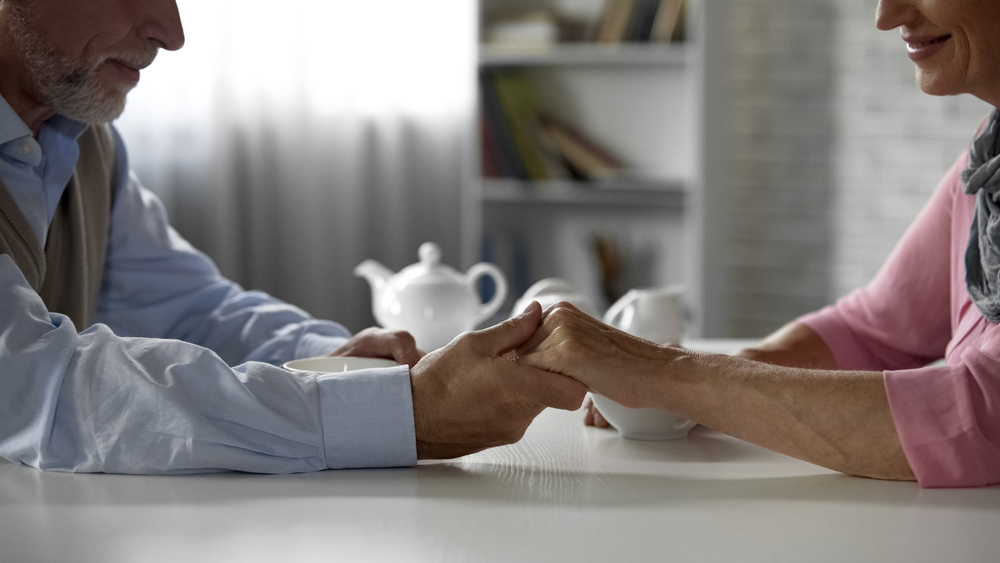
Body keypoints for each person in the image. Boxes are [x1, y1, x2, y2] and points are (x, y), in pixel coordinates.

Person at [0, 0, 587, 475]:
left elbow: (192, 310)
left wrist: (341, 359)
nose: (171, 31)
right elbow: (43, 391)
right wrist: (401, 413)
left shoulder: (84, 143)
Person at [518, 0, 1000, 489]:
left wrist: (671, 377)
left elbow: (981, 417)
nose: (887, 15)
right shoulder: (988, 160)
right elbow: (871, 332)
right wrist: (725, 375)